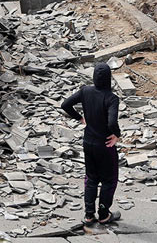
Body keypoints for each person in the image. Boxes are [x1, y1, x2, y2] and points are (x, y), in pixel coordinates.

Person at [60, 62, 121, 225]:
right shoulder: (112, 98)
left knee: (91, 178)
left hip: (88, 142)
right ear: (109, 79)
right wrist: (117, 136)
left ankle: (88, 214)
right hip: (105, 145)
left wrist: (80, 118)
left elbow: (65, 104)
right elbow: (112, 123)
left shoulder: (85, 91)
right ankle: (103, 214)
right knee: (109, 180)